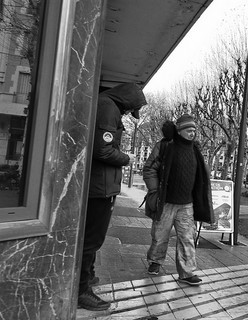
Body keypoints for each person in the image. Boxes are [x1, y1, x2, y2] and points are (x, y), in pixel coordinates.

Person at [78, 83, 147, 311]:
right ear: (126, 102)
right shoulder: (108, 108)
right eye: (130, 110)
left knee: (90, 237)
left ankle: (86, 276)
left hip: (99, 184)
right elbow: (103, 150)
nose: (128, 114)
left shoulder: (105, 104)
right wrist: (127, 158)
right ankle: (81, 290)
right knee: (93, 239)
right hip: (100, 187)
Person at [143, 114, 215, 286]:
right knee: (160, 237)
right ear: (180, 131)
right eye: (189, 130)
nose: (193, 134)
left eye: (194, 131)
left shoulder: (195, 149)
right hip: (166, 202)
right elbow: (149, 169)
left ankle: (187, 272)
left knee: (187, 238)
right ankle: (155, 261)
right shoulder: (165, 146)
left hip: (187, 204)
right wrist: (154, 190)